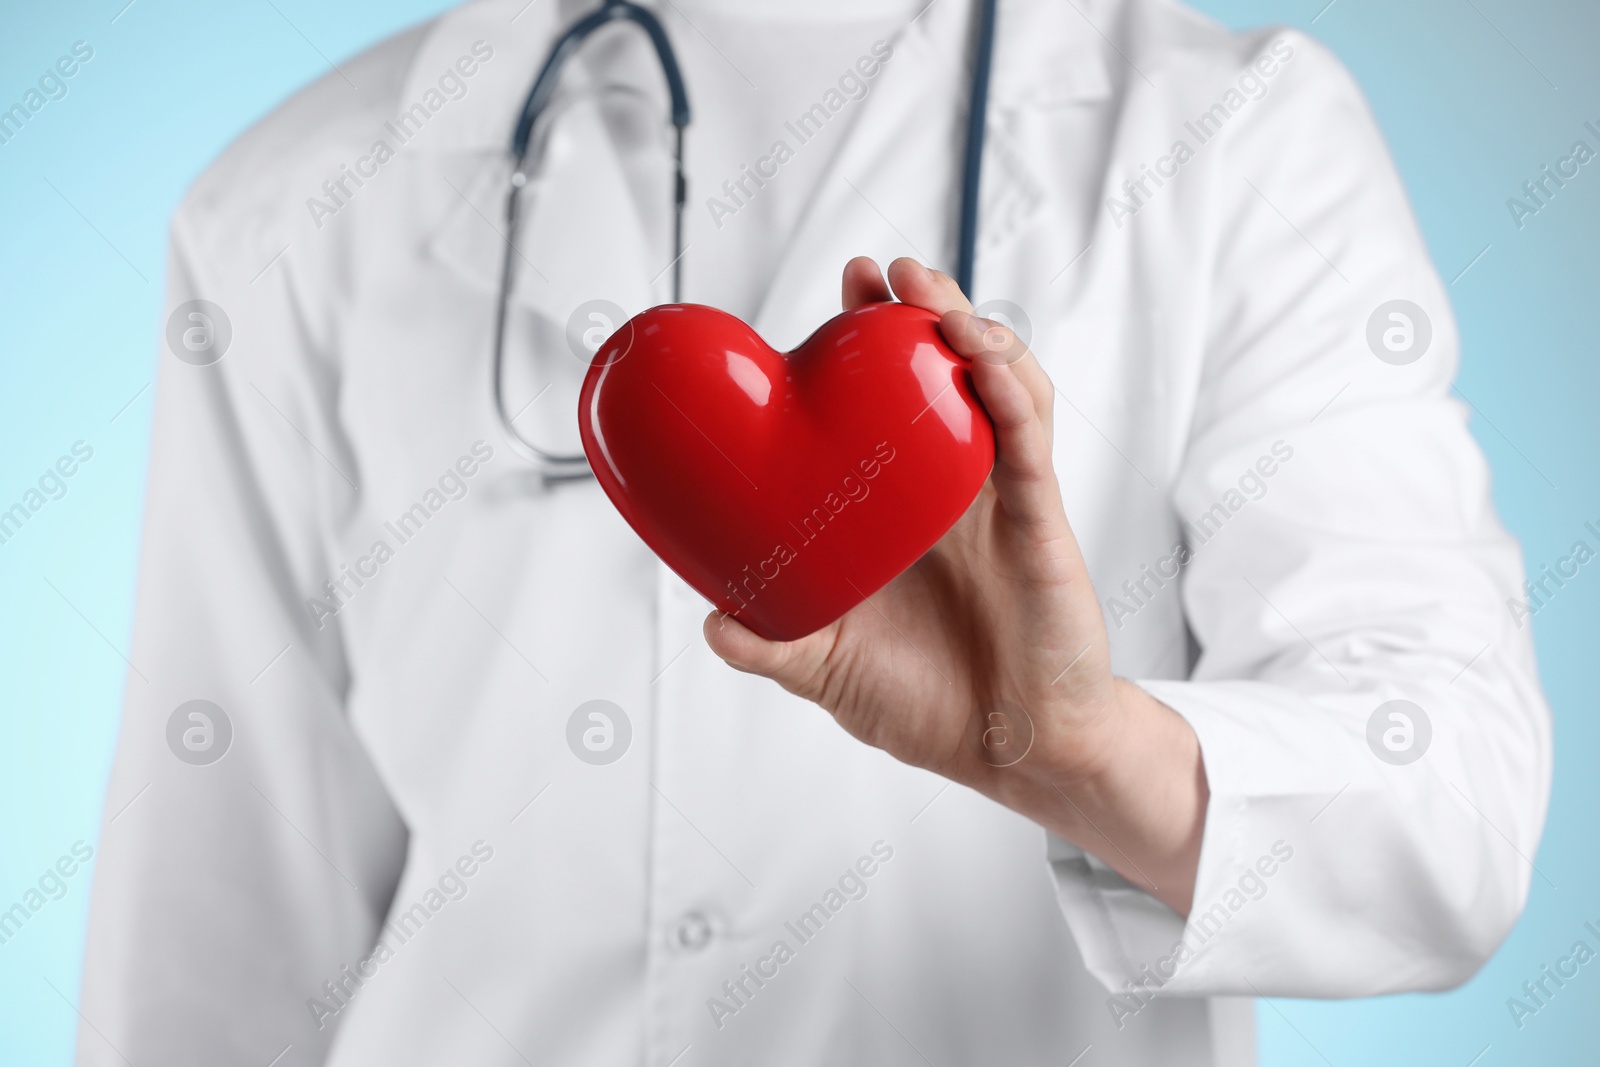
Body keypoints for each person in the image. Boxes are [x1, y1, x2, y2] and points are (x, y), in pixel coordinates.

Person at [76, 0, 1551, 1064]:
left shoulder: (1232, 142)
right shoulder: (294, 207)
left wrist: (1087, 751)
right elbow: (213, 950)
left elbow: (1452, 809)